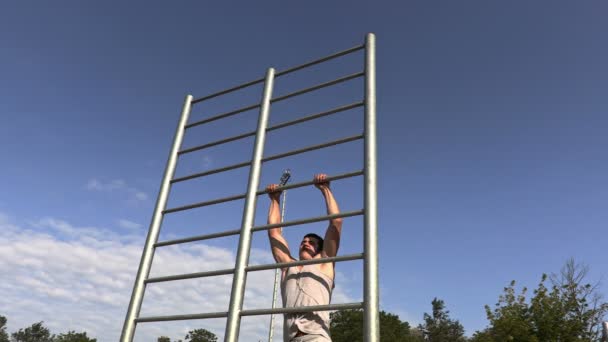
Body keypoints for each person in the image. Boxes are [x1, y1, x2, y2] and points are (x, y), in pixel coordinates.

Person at [266, 173, 343, 342]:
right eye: (303, 241)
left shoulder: (325, 263)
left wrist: (325, 189)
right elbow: (273, 232)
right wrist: (274, 200)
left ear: (320, 248)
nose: (306, 243)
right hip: (290, 338)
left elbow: (336, 221)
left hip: (316, 337)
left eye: (312, 242)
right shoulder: (288, 265)